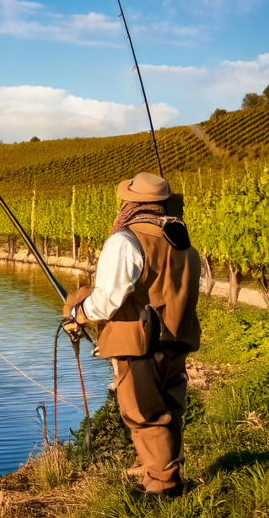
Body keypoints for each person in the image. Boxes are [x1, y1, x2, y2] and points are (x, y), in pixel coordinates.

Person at [62, 172, 201, 496]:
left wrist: (79, 314)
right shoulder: (183, 244)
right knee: (170, 410)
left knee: (145, 415)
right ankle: (166, 473)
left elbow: (109, 299)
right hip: (176, 339)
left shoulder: (126, 241)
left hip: (140, 344)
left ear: (132, 204)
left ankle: (163, 490)